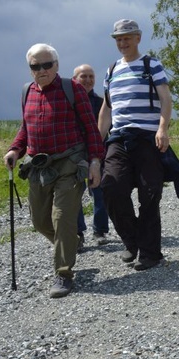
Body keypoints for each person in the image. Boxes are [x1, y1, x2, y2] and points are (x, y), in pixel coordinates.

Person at [4, 43, 104, 298]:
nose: (42, 70)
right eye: (35, 66)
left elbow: (91, 128)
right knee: (39, 221)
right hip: (39, 166)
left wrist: (94, 162)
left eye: (47, 64)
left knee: (63, 219)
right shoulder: (28, 92)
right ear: (30, 69)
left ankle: (63, 273)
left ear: (57, 65)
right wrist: (15, 150)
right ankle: (71, 242)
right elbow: (25, 128)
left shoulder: (73, 89)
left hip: (70, 163)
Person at [98, 19, 173, 271]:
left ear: (138, 38)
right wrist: (97, 146)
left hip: (146, 138)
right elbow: (107, 110)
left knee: (149, 195)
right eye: (119, 39)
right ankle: (132, 242)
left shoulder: (151, 65)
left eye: (127, 38)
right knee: (111, 187)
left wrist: (162, 129)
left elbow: (165, 99)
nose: (122, 42)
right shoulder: (111, 71)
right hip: (118, 139)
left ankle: (151, 254)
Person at [73, 64, 110, 248]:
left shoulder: (100, 103)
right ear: (74, 79)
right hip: (75, 154)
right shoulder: (68, 102)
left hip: (98, 153)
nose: (87, 80)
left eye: (90, 76)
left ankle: (100, 230)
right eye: (83, 76)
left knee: (100, 192)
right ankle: (78, 233)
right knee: (74, 194)